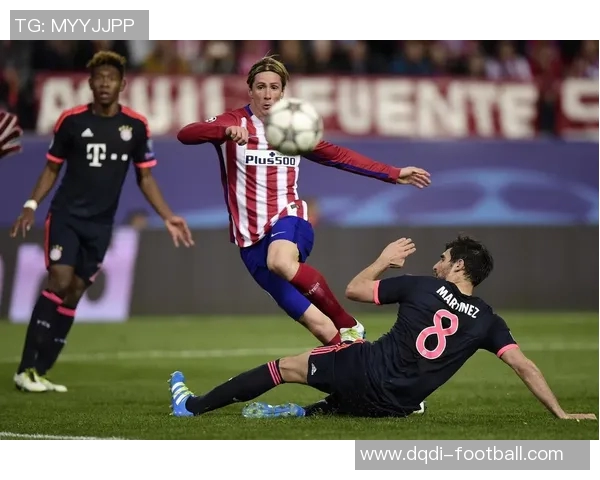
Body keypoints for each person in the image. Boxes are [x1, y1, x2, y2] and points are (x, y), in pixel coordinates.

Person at [168, 235, 596, 421]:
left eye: (443, 258)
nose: (436, 264)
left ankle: (192, 407)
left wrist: (383, 260)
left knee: (284, 369)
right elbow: (524, 366)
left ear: (459, 266)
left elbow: (353, 290)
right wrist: (560, 413)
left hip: (363, 373)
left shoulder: (422, 286)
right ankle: (305, 413)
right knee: (361, 377)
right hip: (395, 406)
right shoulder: (488, 320)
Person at [176, 55, 431, 347]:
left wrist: (393, 173)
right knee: (319, 325)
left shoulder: (292, 129)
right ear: (250, 90)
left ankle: (348, 323)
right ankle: (360, 367)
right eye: (261, 87)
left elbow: (339, 156)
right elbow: (186, 134)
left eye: (274, 87)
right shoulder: (233, 122)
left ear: (282, 92)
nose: (267, 94)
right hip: (250, 241)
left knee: (280, 261)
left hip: (289, 218)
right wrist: (223, 131)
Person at [10, 51, 194, 393]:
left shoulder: (136, 126)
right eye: (100, 78)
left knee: (75, 292)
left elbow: (145, 178)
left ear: (122, 85)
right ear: (90, 84)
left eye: (112, 78)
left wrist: (168, 216)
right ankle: (24, 369)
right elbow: (52, 167)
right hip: (66, 216)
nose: (105, 83)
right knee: (59, 281)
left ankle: (41, 372)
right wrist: (31, 204)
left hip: (101, 225)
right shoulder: (71, 121)